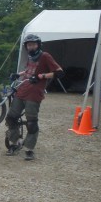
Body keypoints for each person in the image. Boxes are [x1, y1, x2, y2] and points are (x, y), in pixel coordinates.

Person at [6, 33, 63, 161]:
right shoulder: (30, 57)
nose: (30, 47)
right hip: (22, 91)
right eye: (28, 45)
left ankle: (29, 149)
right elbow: (28, 71)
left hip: (34, 94)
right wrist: (18, 74)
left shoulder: (45, 56)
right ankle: (15, 142)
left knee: (31, 122)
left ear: (38, 45)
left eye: (33, 44)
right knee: (11, 118)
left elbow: (59, 72)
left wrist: (41, 76)